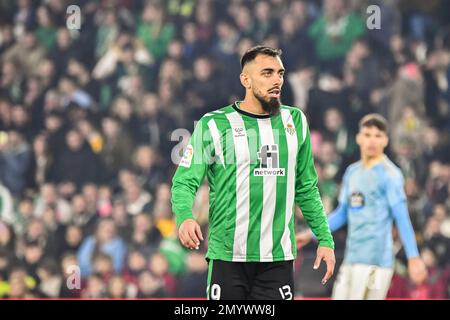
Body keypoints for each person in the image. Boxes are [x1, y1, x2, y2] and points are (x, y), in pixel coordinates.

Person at [171, 45, 335, 300]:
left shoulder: (296, 121)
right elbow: (184, 182)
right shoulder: (213, 124)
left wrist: (325, 238)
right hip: (228, 257)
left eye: (280, 73)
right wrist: (184, 216)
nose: (276, 80)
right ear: (245, 80)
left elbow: (306, 187)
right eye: (267, 73)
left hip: (277, 260)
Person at [296, 113, 428, 299]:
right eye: (367, 135)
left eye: (377, 136)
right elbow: (342, 213)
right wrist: (311, 234)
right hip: (352, 258)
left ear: (385, 140)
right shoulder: (352, 172)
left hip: (376, 262)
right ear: (359, 138)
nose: (372, 141)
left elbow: (401, 217)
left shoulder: (390, 175)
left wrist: (413, 257)